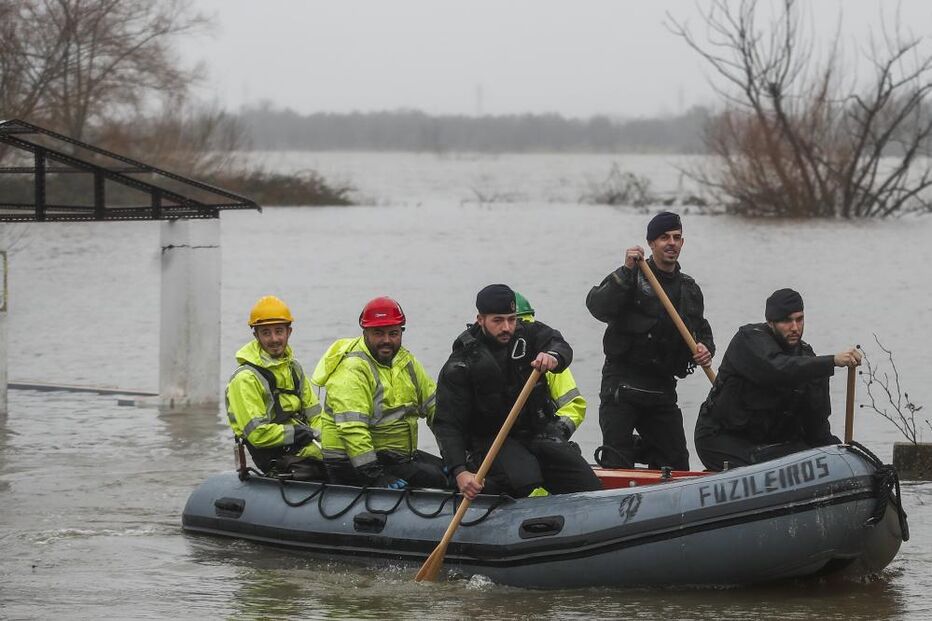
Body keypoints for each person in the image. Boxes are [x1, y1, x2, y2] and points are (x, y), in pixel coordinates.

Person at [434, 284, 602, 499]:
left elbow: (558, 343)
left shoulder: (529, 334)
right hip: (491, 441)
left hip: (535, 433)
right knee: (526, 481)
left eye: (511, 319)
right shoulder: (462, 363)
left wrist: (553, 356)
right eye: (498, 320)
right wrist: (459, 471)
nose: (506, 327)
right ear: (480, 319)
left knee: (588, 484)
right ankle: (491, 488)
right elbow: (447, 423)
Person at [586, 211, 714, 470]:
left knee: (677, 463)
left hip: (662, 390)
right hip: (622, 386)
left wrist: (705, 350)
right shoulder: (631, 276)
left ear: (682, 243)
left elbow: (701, 332)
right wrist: (626, 270)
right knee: (617, 462)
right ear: (651, 243)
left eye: (677, 238)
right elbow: (598, 307)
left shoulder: (689, 289)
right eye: (664, 238)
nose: (671, 243)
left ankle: (651, 456)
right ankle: (618, 458)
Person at [694, 288, 861, 470]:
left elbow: (817, 427)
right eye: (787, 321)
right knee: (768, 465)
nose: (795, 328)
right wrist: (832, 361)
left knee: (820, 455)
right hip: (721, 438)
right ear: (770, 323)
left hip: (769, 443)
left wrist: (843, 454)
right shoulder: (749, 341)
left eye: (799, 319)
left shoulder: (809, 361)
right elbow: (778, 368)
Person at [311, 296, 447, 489]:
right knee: (440, 480)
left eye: (393, 333)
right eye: (378, 333)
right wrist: (375, 476)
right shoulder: (352, 369)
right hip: (352, 463)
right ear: (365, 333)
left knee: (448, 472)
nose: (387, 341)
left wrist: (454, 457)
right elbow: (352, 430)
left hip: (394, 457)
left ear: (402, 331)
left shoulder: (406, 361)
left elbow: (436, 409)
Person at [225, 295, 325, 480]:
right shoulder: (245, 379)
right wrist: (298, 433)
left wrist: (324, 438)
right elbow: (257, 434)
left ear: (289, 332)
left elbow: (316, 414)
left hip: (303, 443)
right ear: (256, 335)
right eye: (266, 333)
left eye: (279, 331)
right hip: (276, 457)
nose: (274, 339)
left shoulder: (294, 369)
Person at [514, 291, 586, 439]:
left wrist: (557, 433)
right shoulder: (483, 355)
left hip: (541, 436)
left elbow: (574, 406)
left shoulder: (548, 360)